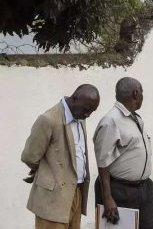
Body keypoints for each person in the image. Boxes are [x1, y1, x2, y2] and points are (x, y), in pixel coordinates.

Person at [21, 84, 100, 229]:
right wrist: (45, 170)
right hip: (53, 198)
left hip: (76, 193)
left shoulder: (80, 117)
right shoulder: (48, 119)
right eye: (86, 110)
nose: (88, 115)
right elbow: (29, 156)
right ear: (74, 99)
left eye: (92, 111)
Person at [93, 77, 153, 229]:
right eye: (141, 92)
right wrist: (107, 197)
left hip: (144, 188)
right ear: (136, 93)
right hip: (120, 191)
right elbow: (102, 162)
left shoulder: (135, 117)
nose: (142, 95)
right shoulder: (111, 121)